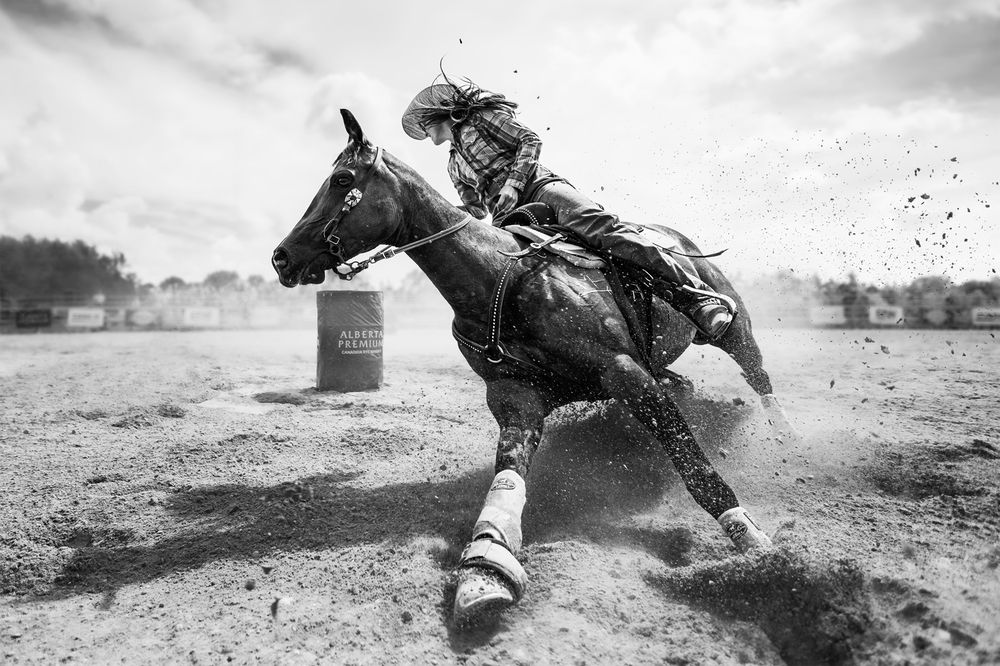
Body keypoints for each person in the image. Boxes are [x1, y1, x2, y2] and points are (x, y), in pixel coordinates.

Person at [401, 77, 736, 340]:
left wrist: (513, 185)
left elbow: (530, 141)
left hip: (541, 188)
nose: (423, 130)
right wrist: (440, 215)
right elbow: (474, 209)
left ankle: (698, 297)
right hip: (505, 218)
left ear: (437, 116)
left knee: (603, 230)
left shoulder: (483, 119)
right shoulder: (454, 165)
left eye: (423, 123)